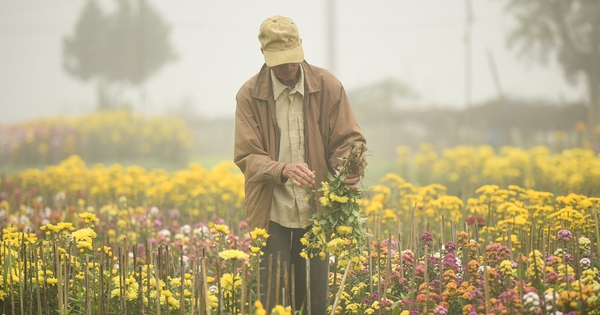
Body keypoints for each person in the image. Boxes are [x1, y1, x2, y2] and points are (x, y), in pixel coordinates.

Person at [234, 15, 366, 314]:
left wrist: (348, 167)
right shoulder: (249, 95)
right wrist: (283, 169)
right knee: (271, 300)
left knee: (313, 300)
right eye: (280, 62)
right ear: (264, 56)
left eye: (292, 60)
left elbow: (349, 139)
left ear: (301, 48)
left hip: (316, 211)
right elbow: (247, 156)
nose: (288, 68)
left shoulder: (327, 85)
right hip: (271, 212)